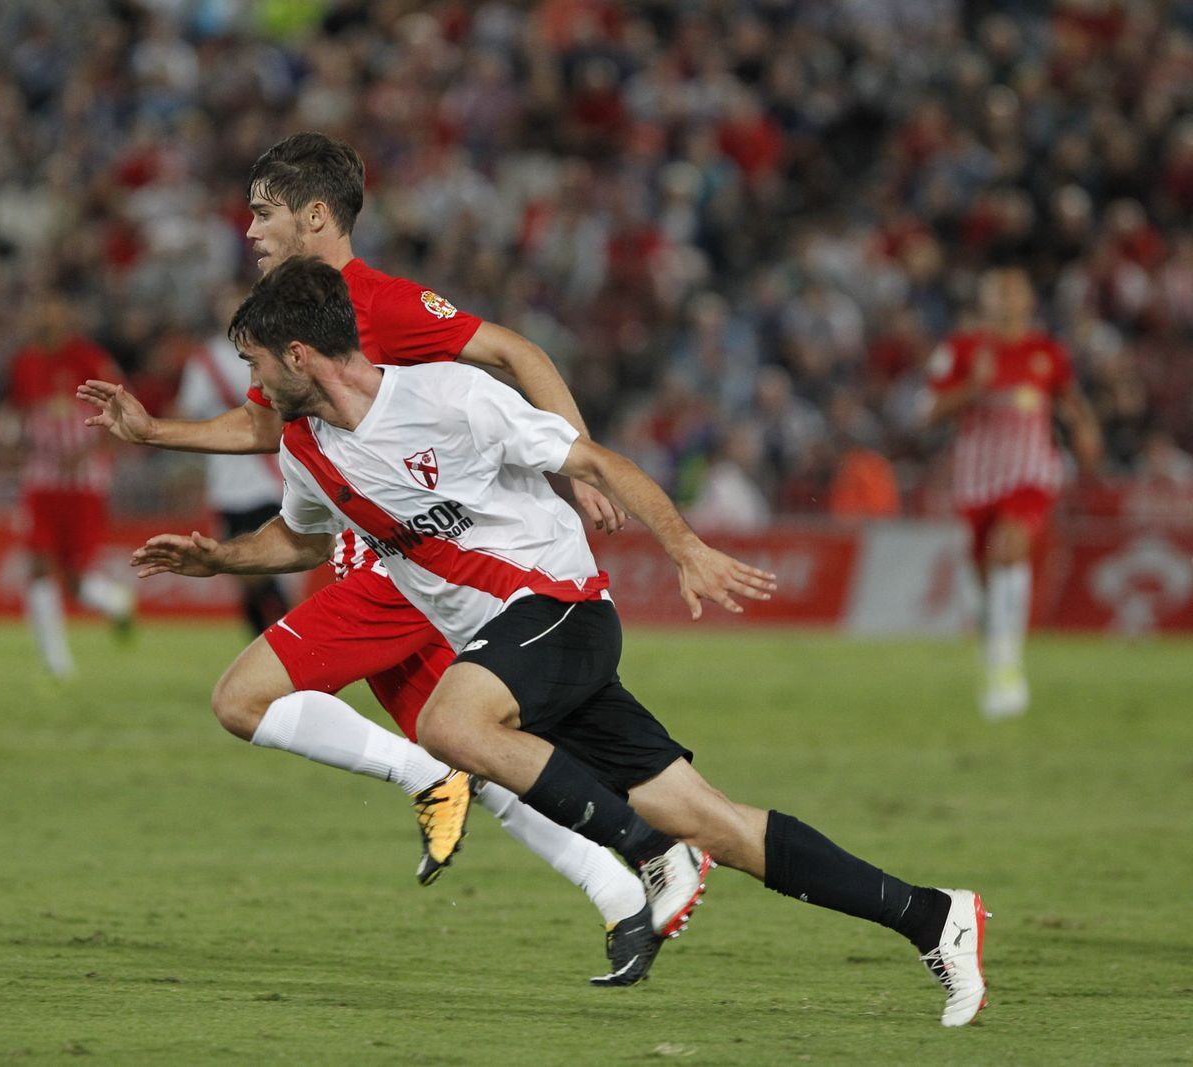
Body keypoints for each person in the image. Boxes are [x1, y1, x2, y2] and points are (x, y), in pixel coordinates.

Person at [134, 256, 990, 1028]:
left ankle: (652, 855)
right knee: (721, 822)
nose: (249, 383)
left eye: (252, 362)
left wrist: (684, 545)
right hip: (519, 651)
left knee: (448, 724)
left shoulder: (448, 398)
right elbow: (303, 540)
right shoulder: (306, 447)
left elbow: (596, 463)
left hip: (561, 607)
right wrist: (219, 562)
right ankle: (931, 915)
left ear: (298, 354)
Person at [80, 132, 703, 987]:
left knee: (250, 699)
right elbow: (271, 423)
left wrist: (579, 461)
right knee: (482, 750)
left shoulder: (377, 302)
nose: (249, 229)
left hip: (409, 565)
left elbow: (517, 352)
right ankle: (617, 891)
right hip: (384, 556)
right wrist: (157, 433)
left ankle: (447, 782)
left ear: (314, 215)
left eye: (262, 212)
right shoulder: (289, 315)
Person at [926, 267, 1101, 719]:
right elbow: (928, 413)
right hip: (978, 477)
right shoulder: (961, 350)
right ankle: (993, 640)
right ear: (985, 301)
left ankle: (1007, 664)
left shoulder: (1046, 352)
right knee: (985, 573)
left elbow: (1069, 401)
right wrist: (974, 387)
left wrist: (1084, 430)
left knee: (1010, 545)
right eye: (996, 293)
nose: (1005, 301)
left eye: (1013, 292)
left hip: (1031, 472)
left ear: (1027, 301)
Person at [8, 291, 134, 679]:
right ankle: (56, 664)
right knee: (39, 565)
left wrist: (95, 452)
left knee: (77, 582)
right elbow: (21, 417)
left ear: (66, 319)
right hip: (41, 482)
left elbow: (123, 407)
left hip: (84, 485)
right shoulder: (24, 364)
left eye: (53, 312)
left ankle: (117, 602)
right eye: (41, 313)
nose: (46, 320)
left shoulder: (89, 359)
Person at [175, 294, 290, 636]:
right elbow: (187, 410)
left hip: (269, 479)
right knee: (243, 578)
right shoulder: (206, 360)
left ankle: (285, 648)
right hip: (226, 485)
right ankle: (267, 649)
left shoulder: (273, 353)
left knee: (258, 569)